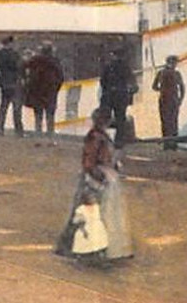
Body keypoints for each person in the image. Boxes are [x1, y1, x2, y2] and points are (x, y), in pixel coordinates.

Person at [56, 106, 134, 264]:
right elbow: (89, 163)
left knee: (102, 216)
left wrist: (114, 167)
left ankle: (104, 249)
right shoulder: (95, 137)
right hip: (95, 180)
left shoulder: (102, 136)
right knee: (90, 216)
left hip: (104, 177)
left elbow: (106, 157)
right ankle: (83, 249)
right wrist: (100, 177)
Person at [24, 42, 63, 137]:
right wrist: (56, 88)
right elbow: (61, 76)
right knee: (50, 113)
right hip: (50, 90)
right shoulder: (55, 61)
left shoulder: (35, 60)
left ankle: (38, 132)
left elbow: (24, 68)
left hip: (37, 90)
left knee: (38, 113)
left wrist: (28, 84)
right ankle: (50, 132)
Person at [99, 47, 135, 141]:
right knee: (120, 119)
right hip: (121, 96)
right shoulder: (126, 67)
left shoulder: (108, 67)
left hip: (109, 96)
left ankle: (103, 138)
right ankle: (119, 140)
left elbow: (103, 81)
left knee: (105, 118)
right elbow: (131, 81)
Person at [153, 55, 185, 149]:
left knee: (165, 122)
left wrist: (162, 90)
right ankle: (174, 144)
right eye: (175, 63)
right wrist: (180, 99)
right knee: (174, 122)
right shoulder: (177, 74)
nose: (175, 65)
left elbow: (154, 87)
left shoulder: (161, 73)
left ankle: (166, 144)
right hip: (174, 100)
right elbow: (182, 88)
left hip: (164, 100)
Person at [0, 36, 25, 136]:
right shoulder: (14, 54)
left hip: (4, 82)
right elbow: (19, 67)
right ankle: (18, 130)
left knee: (3, 106)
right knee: (16, 108)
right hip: (14, 83)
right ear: (10, 43)